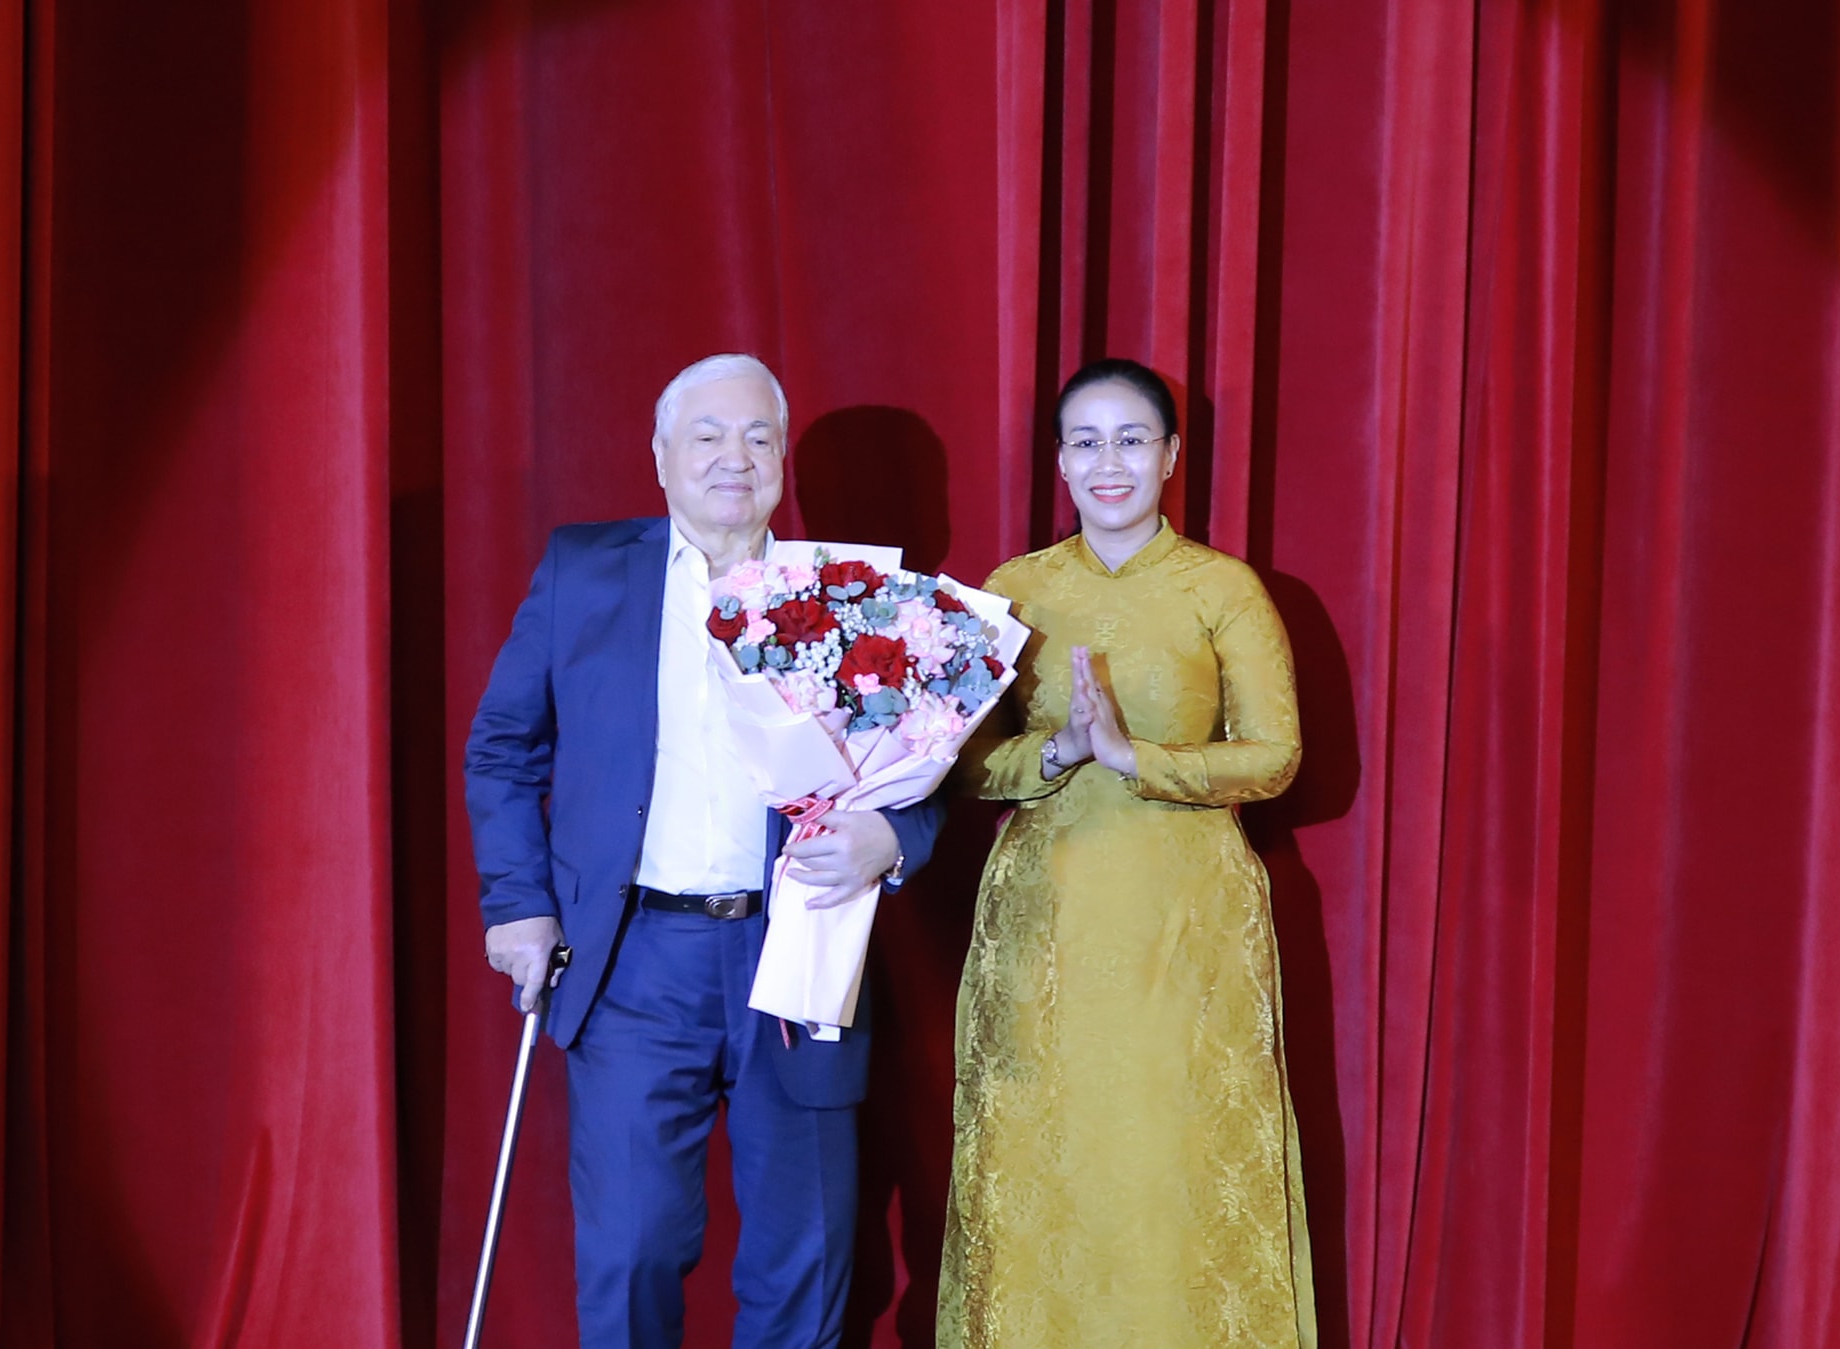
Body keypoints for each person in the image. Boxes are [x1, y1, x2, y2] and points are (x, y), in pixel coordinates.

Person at [466, 353, 944, 1349]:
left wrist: (891, 837)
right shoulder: (585, 570)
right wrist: (518, 902)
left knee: (803, 1261)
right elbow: (503, 747)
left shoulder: (848, 594)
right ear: (660, 456)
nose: (737, 457)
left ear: (782, 459)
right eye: (709, 436)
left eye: (759, 437)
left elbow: (925, 768)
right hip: (634, 960)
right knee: (630, 1247)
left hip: (799, 951)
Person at [936, 358, 1316, 1347]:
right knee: (1044, 1154)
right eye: (1088, 441)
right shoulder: (1013, 591)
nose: (1111, 463)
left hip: (1183, 921)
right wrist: (1057, 750)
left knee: (1170, 1158)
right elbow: (955, 764)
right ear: (1061, 460)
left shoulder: (1222, 588)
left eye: (1133, 440)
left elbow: (1275, 755)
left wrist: (1136, 757)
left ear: (1172, 455)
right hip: (1045, 922)